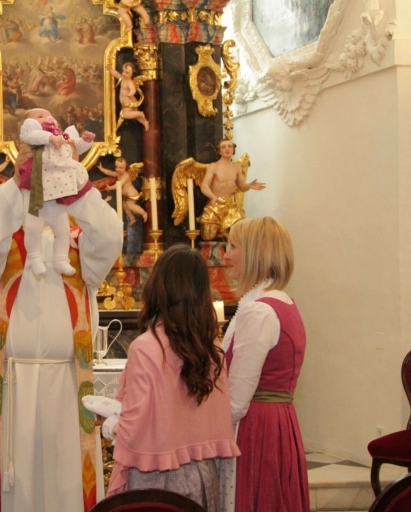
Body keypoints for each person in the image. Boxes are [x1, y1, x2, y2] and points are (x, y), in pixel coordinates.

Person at [0, 162, 122, 512]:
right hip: (9, 386)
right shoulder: (1, 250)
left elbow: (112, 236)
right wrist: (15, 182)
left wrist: (80, 191)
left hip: (68, 387)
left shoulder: (82, 250)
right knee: (13, 490)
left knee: (66, 489)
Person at [85, 245, 239, 511]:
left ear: (158, 287)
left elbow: (135, 428)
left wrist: (110, 425)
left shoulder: (147, 347)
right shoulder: (212, 349)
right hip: (202, 477)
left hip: (156, 480)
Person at [221, 216, 309, 512]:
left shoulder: (259, 312)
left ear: (255, 253)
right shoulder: (284, 302)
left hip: (256, 429)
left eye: (233, 246)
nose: (226, 254)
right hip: (278, 422)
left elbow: (236, 403)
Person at [16, 107, 96, 277]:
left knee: (63, 230)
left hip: (58, 192)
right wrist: (51, 138)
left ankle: (61, 259)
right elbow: (32, 136)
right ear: (29, 122)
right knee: (33, 228)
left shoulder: (62, 136)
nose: (47, 117)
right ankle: (34, 258)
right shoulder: (33, 134)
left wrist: (86, 141)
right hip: (37, 191)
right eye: (40, 116)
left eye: (49, 115)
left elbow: (75, 148)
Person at [199, 139, 266, 240]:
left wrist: (249, 186)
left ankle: (226, 237)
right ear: (219, 151)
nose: (227, 149)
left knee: (239, 232)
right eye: (223, 147)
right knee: (208, 235)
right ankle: (221, 234)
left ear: (233, 150)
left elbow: (241, 186)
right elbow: (204, 186)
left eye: (230, 146)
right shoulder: (214, 166)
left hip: (230, 206)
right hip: (216, 204)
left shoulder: (236, 167)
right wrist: (213, 197)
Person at [97, 157, 148, 226]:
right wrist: (102, 169)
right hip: (127, 195)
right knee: (125, 206)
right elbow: (110, 172)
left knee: (130, 206)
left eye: (121, 168)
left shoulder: (126, 176)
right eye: (116, 167)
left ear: (125, 167)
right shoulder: (118, 174)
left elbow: (119, 184)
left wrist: (110, 187)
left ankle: (143, 213)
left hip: (131, 194)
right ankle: (132, 219)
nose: (118, 169)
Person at [108, 63, 149, 131]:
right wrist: (110, 70)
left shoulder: (129, 82)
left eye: (127, 73)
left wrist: (130, 93)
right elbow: (116, 74)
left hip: (129, 102)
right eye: (123, 71)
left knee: (125, 114)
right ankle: (145, 122)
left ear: (132, 74)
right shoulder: (122, 78)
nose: (124, 74)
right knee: (135, 116)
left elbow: (133, 89)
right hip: (128, 102)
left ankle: (140, 114)